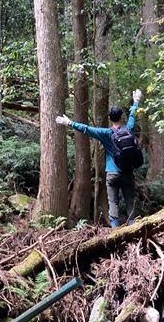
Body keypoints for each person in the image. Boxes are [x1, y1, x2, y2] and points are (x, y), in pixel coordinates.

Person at [56, 89, 143, 228]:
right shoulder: (129, 129)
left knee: (113, 202)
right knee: (129, 200)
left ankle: (115, 229)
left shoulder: (106, 133)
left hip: (112, 174)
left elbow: (87, 129)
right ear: (121, 117)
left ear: (110, 118)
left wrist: (69, 123)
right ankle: (134, 226)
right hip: (127, 173)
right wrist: (136, 101)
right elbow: (133, 116)